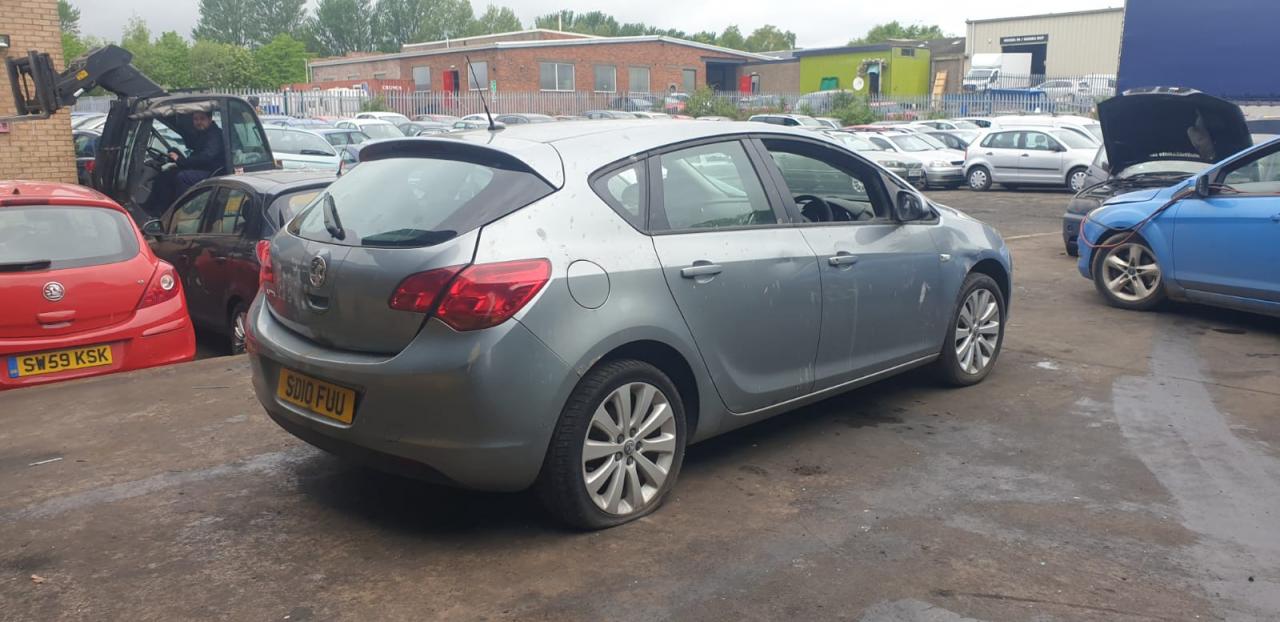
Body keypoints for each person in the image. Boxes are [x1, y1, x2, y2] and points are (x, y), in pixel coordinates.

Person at [170, 110, 224, 195]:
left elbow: (206, 157)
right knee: (170, 173)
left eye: (202, 119)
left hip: (213, 173)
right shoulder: (203, 133)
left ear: (210, 119)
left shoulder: (214, 135)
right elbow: (196, 155)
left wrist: (180, 160)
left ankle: (185, 203)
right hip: (204, 169)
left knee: (182, 177)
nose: (198, 122)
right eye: (195, 119)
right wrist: (181, 161)